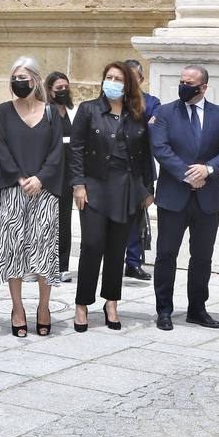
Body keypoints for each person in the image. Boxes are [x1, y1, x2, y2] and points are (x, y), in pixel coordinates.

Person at [149, 64, 219, 330]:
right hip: (174, 196)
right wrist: (188, 174)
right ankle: (164, 310)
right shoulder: (165, 112)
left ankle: (197, 309)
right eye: (182, 81)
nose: (184, 86)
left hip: (207, 198)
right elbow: (160, 148)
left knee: (202, 257)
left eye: (190, 82)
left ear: (204, 87)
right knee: (166, 254)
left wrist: (208, 169)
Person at [71, 62, 155, 332]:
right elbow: (76, 149)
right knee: (93, 245)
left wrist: (148, 189)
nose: (113, 82)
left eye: (118, 78)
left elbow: (145, 155)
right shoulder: (88, 110)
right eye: (109, 77)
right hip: (95, 186)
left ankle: (111, 303)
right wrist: (78, 184)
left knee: (117, 249)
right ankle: (82, 305)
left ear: (128, 84)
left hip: (127, 187)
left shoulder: (137, 114)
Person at [0, 57, 66, 336]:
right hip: (13, 188)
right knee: (14, 249)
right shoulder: (3, 111)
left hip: (45, 191)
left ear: (35, 80)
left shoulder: (50, 113)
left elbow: (57, 151)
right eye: (15, 77)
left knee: (44, 248)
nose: (18, 82)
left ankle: (44, 307)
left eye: (23, 77)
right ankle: (17, 307)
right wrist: (21, 177)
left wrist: (40, 178)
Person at [122, 58, 161, 281]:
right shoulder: (111, 102)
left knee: (137, 216)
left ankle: (134, 262)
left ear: (141, 80)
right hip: (114, 169)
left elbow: (153, 123)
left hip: (140, 169)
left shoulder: (152, 102)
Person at [46, 71, 76, 283]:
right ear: (50, 91)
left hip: (69, 175)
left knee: (64, 221)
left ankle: (62, 265)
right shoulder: (45, 112)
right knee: (45, 221)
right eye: (59, 88)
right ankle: (41, 264)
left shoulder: (73, 113)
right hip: (49, 174)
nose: (63, 91)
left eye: (66, 87)